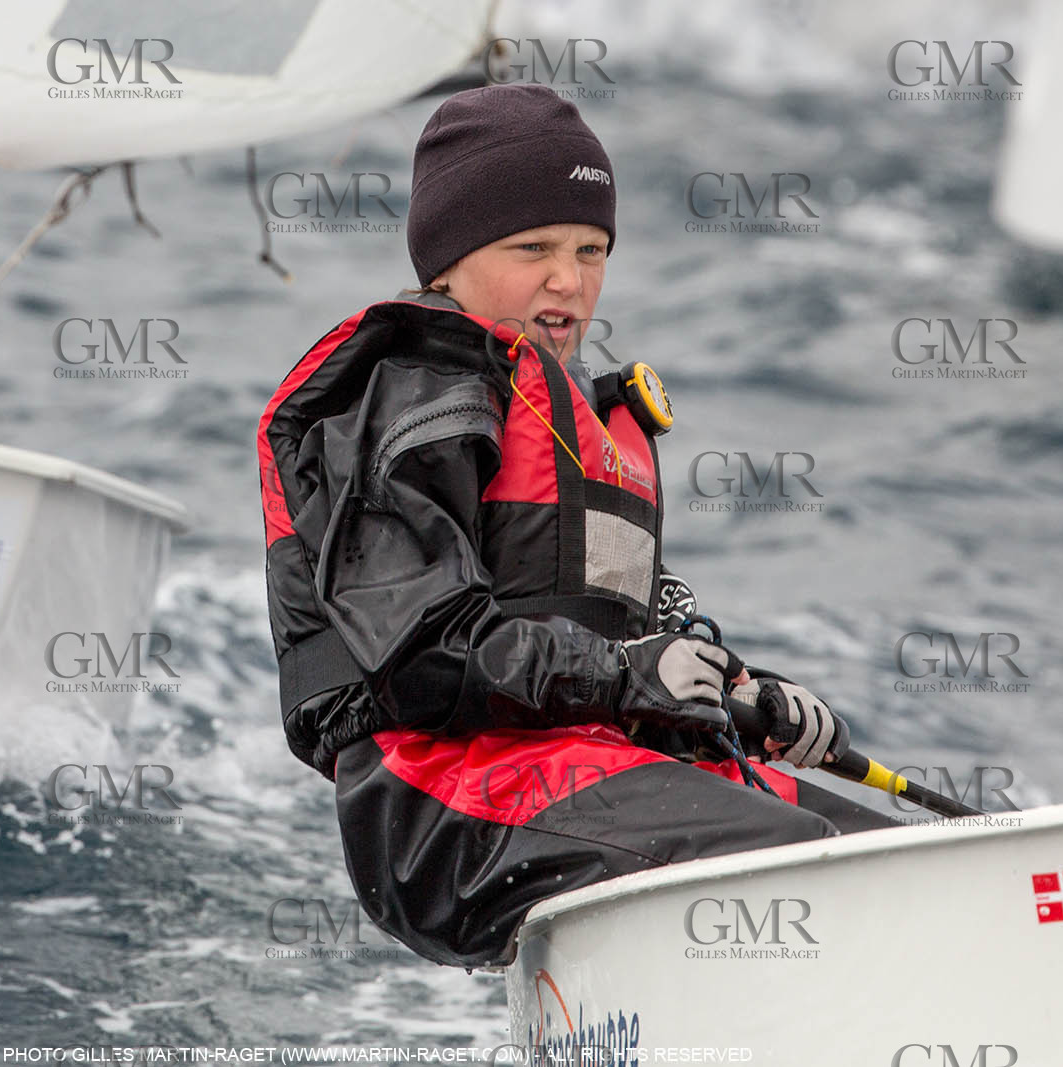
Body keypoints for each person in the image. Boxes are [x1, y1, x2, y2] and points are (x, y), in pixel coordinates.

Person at [256, 84, 897, 969]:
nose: (570, 278)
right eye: (534, 248)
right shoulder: (411, 395)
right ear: (448, 262)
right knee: (812, 867)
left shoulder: (582, 421)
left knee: (885, 855)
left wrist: (741, 698)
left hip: (581, 767)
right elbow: (421, 656)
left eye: (591, 249)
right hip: (443, 804)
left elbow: (626, 656)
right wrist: (632, 675)